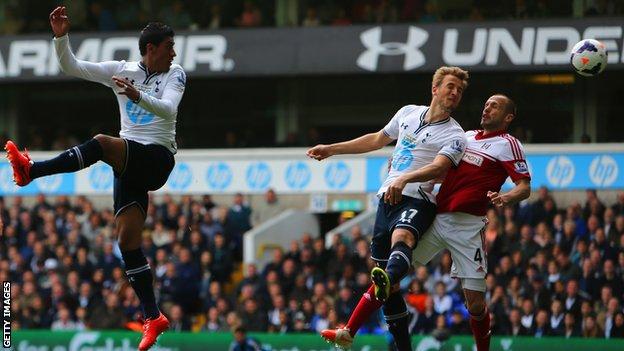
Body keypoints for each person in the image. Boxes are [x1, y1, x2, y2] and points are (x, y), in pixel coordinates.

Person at [4, 6, 185, 350]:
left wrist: (137, 96)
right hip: (129, 162)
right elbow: (71, 66)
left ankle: (32, 171)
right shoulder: (122, 70)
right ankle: (153, 316)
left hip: (157, 158)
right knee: (127, 242)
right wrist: (61, 38)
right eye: (168, 47)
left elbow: (169, 109)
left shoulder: (175, 74)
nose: (174, 53)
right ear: (151, 49)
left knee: (102, 143)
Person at [321, 94, 531, 351]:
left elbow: (524, 186)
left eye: (494, 106)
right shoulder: (464, 137)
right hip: (439, 217)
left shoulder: (508, 143)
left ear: (508, 117)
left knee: (475, 304)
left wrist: (506, 197)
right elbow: (441, 168)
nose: (487, 109)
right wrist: (401, 165)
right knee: (392, 275)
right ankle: (349, 331)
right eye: (486, 104)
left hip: (468, 226)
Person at [308, 66, 469, 350]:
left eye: (459, 90)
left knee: (402, 240)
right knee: (390, 289)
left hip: (418, 198)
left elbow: (439, 167)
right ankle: (388, 343)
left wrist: (406, 177)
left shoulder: (456, 136)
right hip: (387, 199)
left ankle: (353, 325)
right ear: (435, 89)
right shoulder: (407, 112)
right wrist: (332, 149)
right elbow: (376, 139)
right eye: (450, 86)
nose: (455, 93)